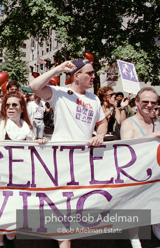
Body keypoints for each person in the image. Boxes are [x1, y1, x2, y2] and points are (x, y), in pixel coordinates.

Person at [30, 58, 107, 248]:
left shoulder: (94, 99)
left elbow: (102, 122)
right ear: (77, 76)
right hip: (60, 160)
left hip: (83, 161)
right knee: (63, 206)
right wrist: (59, 69)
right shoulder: (61, 93)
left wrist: (101, 136)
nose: (93, 76)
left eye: (93, 73)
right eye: (89, 73)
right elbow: (34, 86)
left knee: (75, 206)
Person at [0, 55, 34, 247]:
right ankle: (0, 244)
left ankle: (10, 238)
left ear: (21, 108)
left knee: (14, 216)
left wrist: (41, 143)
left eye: (14, 105)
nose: (10, 107)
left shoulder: (28, 130)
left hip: (19, 179)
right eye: (8, 105)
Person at [120, 87, 160, 248]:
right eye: (145, 101)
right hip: (136, 176)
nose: (149, 105)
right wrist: (153, 136)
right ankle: (134, 239)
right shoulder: (129, 123)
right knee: (135, 207)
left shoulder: (157, 124)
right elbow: (126, 148)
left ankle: (156, 225)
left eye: (153, 102)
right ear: (137, 102)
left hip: (155, 175)